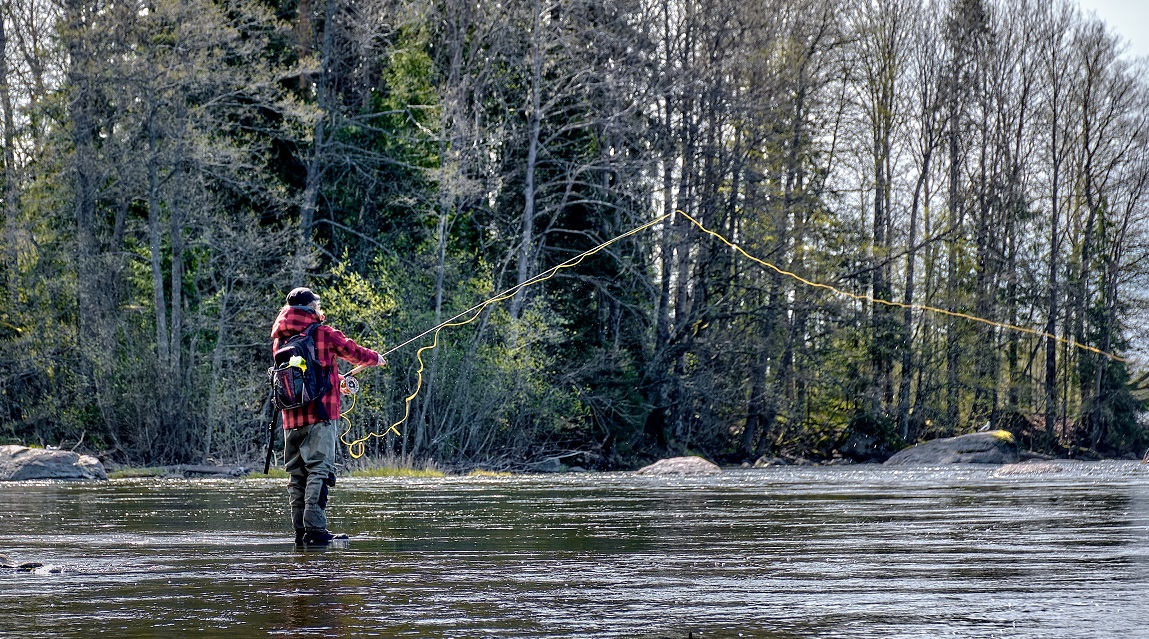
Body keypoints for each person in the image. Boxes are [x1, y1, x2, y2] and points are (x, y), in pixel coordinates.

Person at [271, 287, 385, 545]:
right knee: (319, 470)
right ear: (312, 307)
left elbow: (305, 373)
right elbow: (352, 351)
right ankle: (316, 532)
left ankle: (301, 533)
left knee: (297, 475)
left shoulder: (279, 340)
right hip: (320, 416)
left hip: (290, 419)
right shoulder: (322, 333)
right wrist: (375, 358)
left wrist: (338, 379)